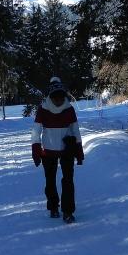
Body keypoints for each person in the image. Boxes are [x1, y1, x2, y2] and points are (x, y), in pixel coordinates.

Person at [31, 76, 84, 223]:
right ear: (51, 95)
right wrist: (79, 151)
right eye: (56, 97)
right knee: (63, 180)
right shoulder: (65, 109)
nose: (59, 100)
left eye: (61, 97)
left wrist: (36, 149)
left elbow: (36, 132)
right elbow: (76, 131)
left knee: (55, 180)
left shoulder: (47, 108)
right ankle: (62, 210)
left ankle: (60, 209)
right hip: (60, 149)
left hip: (56, 149)